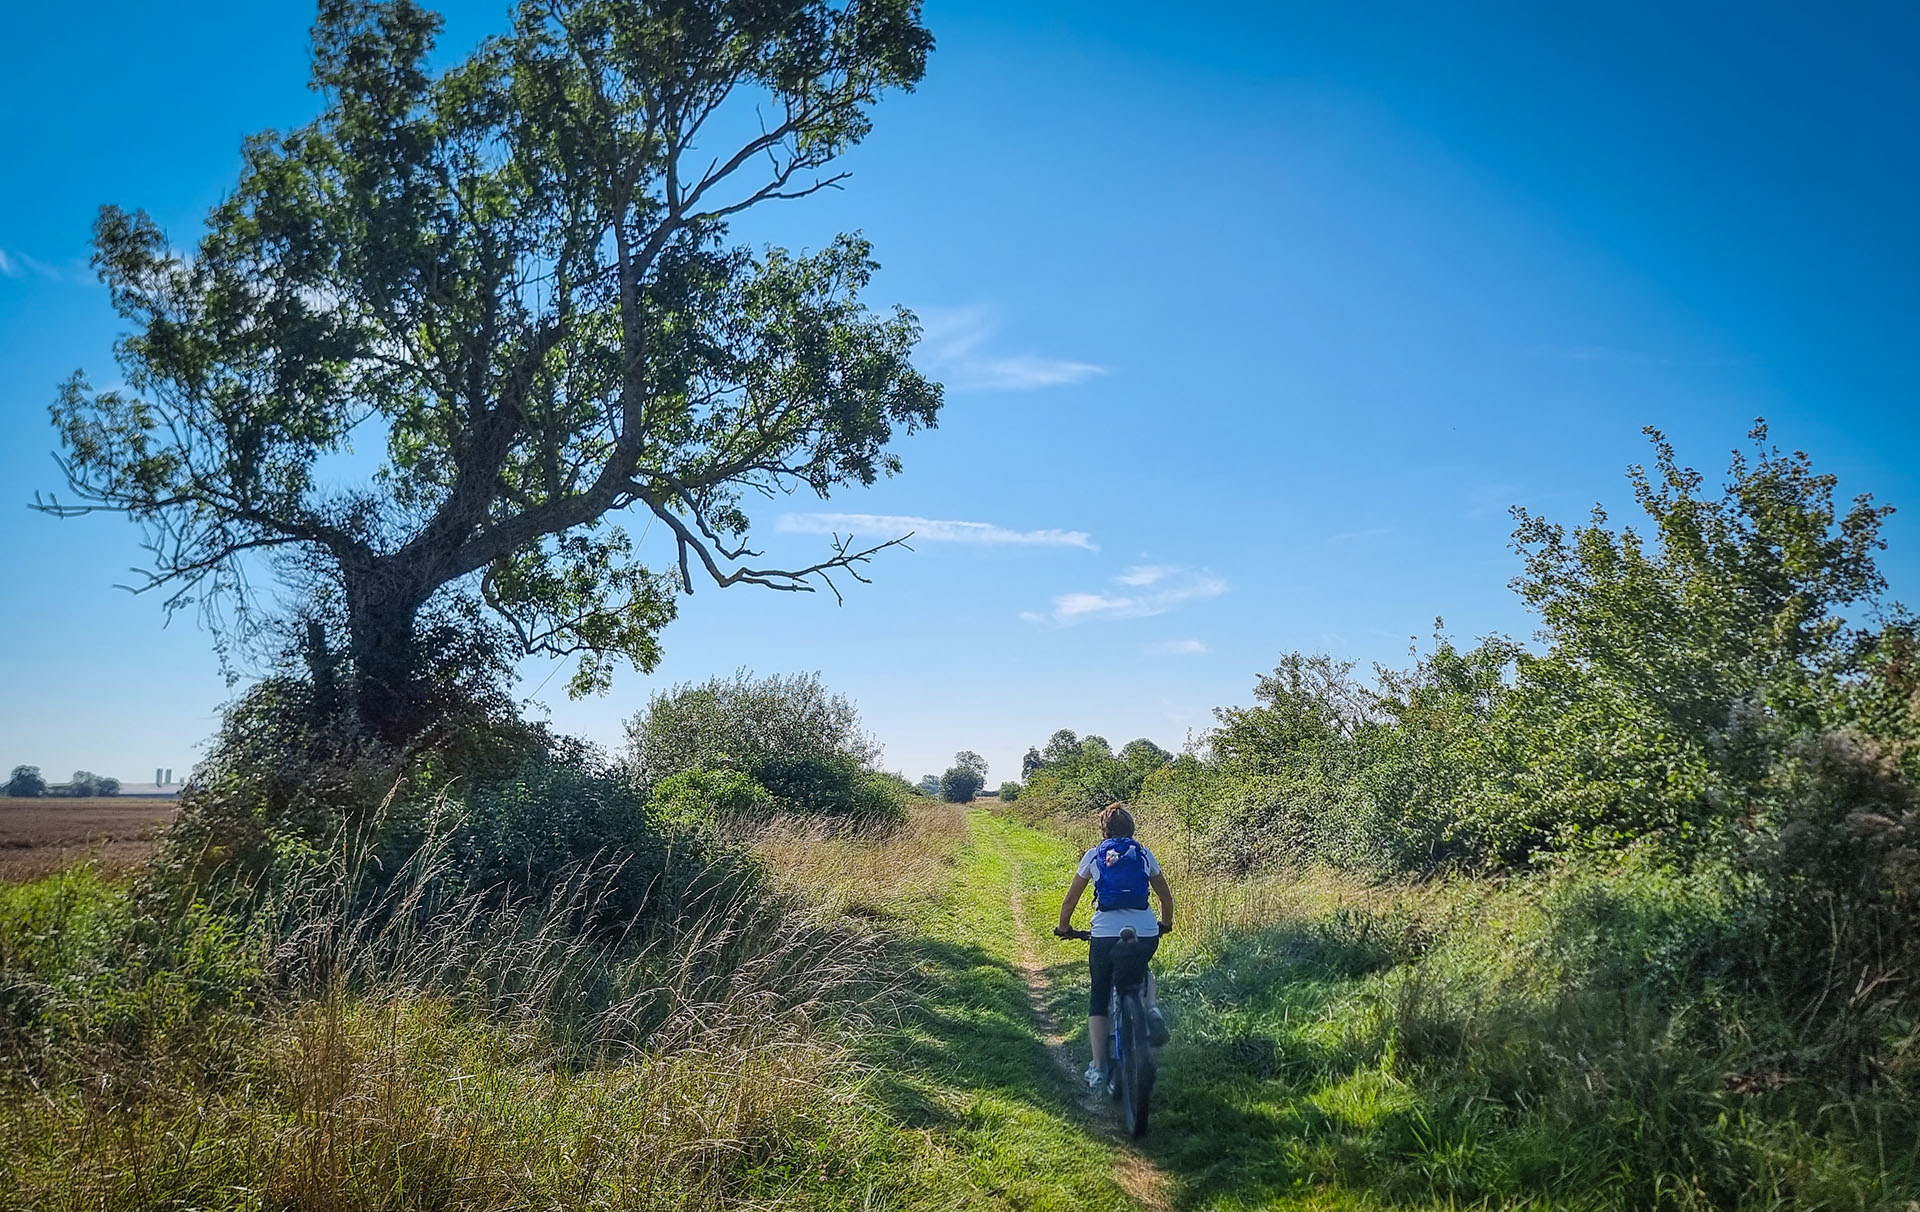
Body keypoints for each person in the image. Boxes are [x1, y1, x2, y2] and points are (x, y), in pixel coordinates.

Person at [1054, 802, 1174, 1089]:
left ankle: (1097, 1068)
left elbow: (1070, 899)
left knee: (1100, 993)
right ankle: (1151, 1008)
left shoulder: (1094, 855)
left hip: (1106, 934)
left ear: (1104, 830)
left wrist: (1064, 928)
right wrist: (1165, 924)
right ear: (1132, 829)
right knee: (1142, 967)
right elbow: (1165, 897)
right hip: (1144, 930)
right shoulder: (1143, 853)